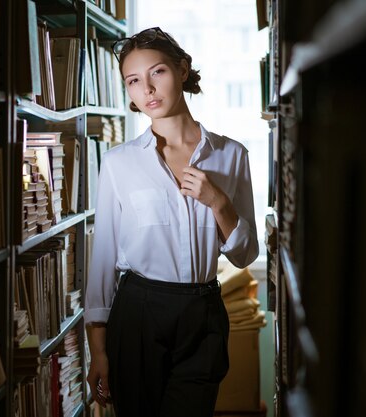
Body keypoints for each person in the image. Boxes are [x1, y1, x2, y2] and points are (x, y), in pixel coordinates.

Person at [85, 27, 259, 417]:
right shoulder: (119, 163)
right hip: (138, 312)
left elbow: (247, 255)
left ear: (182, 70)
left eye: (157, 72)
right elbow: (103, 261)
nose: (147, 89)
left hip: (203, 314)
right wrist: (98, 351)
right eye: (133, 80)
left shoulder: (232, 156)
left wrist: (219, 203)